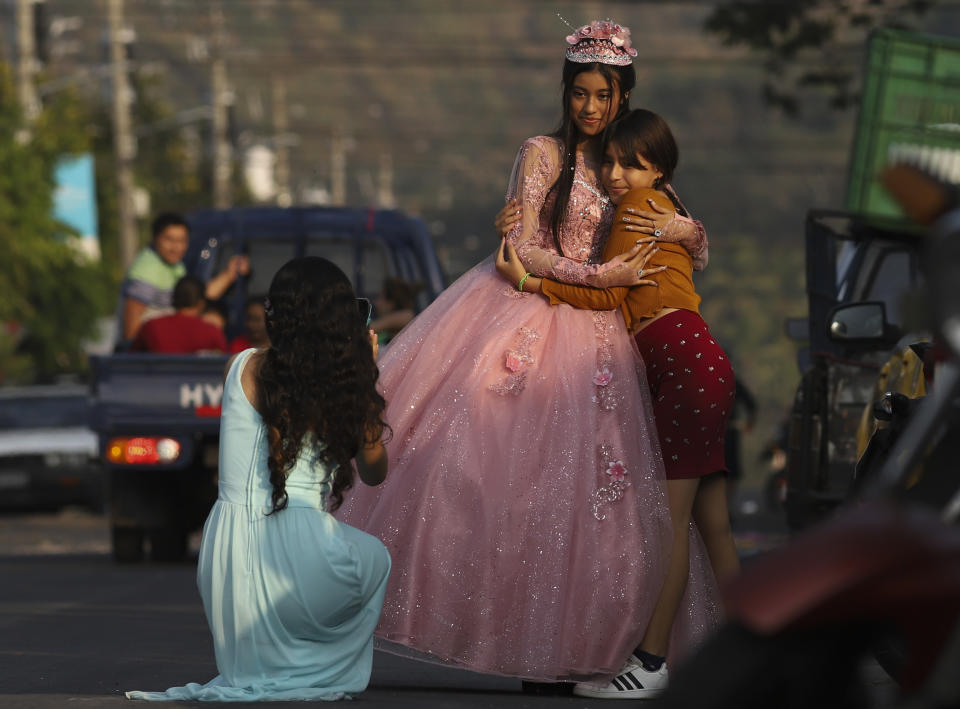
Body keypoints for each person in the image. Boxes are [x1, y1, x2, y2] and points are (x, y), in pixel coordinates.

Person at [336, 20, 719, 685]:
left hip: (606, 337)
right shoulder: (543, 152)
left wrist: (676, 227)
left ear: (623, 96)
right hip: (533, 311)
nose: (591, 108)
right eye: (580, 93)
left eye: (604, 95)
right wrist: (603, 276)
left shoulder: (631, 160)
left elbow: (693, 241)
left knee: (600, 501)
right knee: (505, 484)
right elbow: (525, 250)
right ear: (565, 91)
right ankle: (526, 647)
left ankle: (576, 646)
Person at [495, 108, 740, 698]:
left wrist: (527, 283)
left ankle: (651, 662)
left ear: (660, 170)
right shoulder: (665, 209)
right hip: (699, 361)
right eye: (610, 160)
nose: (616, 174)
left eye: (634, 164)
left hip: (681, 363)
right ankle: (760, 652)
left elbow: (603, 291)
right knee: (714, 527)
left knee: (674, 526)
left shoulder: (638, 209)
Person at [126, 257, 391, 701]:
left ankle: (272, 662)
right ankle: (310, 666)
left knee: (324, 565)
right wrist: (365, 373)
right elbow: (374, 471)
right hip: (301, 560)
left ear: (276, 315)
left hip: (223, 560)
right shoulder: (345, 380)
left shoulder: (239, 364)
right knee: (375, 558)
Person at [118, 212, 250, 344]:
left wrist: (230, 274)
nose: (176, 247)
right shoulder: (147, 269)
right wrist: (136, 359)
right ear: (155, 238)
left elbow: (198, 295)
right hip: (149, 356)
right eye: (169, 240)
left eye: (182, 241)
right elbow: (131, 329)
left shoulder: (174, 265)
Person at [130, 276, 228, 354]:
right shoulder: (212, 332)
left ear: (173, 299)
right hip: (197, 379)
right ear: (201, 304)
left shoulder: (150, 327)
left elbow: (131, 359)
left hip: (157, 379)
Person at [369, 277, 423, 346]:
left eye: (380, 298)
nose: (377, 303)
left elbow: (370, 328)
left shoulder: (406, 316)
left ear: (391, 303)